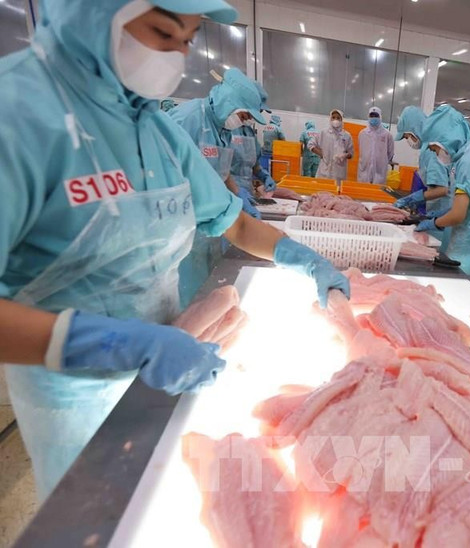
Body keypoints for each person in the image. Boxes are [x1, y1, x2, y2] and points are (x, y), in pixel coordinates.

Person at [0, 0, 350, 501]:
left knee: (159, 503)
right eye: (163, 33)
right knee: (97, 513)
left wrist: (302, 257)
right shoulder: (15, 112)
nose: (176, 57)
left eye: (187, 40)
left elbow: (235, 223)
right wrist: (114, 343)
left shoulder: (156, 130)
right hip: (73, 399)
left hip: (167, 369)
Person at [169, 67, 264, 218]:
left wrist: (238, 193)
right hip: (181, 212)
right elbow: (168, 173)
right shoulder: (188, 119)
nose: (243, 122)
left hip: (206, 213)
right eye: (243, 116)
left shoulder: (223, 129)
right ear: (229, 102)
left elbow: (222, 172)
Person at [417, 104, 470, 275]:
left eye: (435, 149)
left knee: (457, 289)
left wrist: (433, 223)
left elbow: (458, 215)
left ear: (447, 139)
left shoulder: (469, 161)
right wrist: (443, 212)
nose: (436, 154)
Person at [393, 106, 452, 247]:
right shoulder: (429, 146)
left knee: (437, 252)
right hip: (438, 212)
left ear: (414, 130)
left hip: (443, 217)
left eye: (407, 136)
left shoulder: (431, 151)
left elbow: (442, 189)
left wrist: (414, 198)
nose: (408, 140)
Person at [311, 109, 354, 184]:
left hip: (339, 171)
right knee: (322, 191)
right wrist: (321, 153)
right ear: (330, 119)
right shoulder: (324, 133)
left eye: (338, 118)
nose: (335, 120)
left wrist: (345, 155)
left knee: (337, 192)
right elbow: (311, 144)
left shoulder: (347, 135)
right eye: (333, 117)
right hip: (324, 169)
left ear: (341, 120)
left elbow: (351, 153)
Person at [358, 106, 394, 184]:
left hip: (380, 169)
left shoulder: (387, 134)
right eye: (371, 116)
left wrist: (382, 161)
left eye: (376, 116)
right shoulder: (362, 133)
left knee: (377, 191)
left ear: (380, 117)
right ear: (368, 117)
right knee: (363, 190)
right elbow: (361, 149)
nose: (373, 118)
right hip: (364, 167)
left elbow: (390, 152)